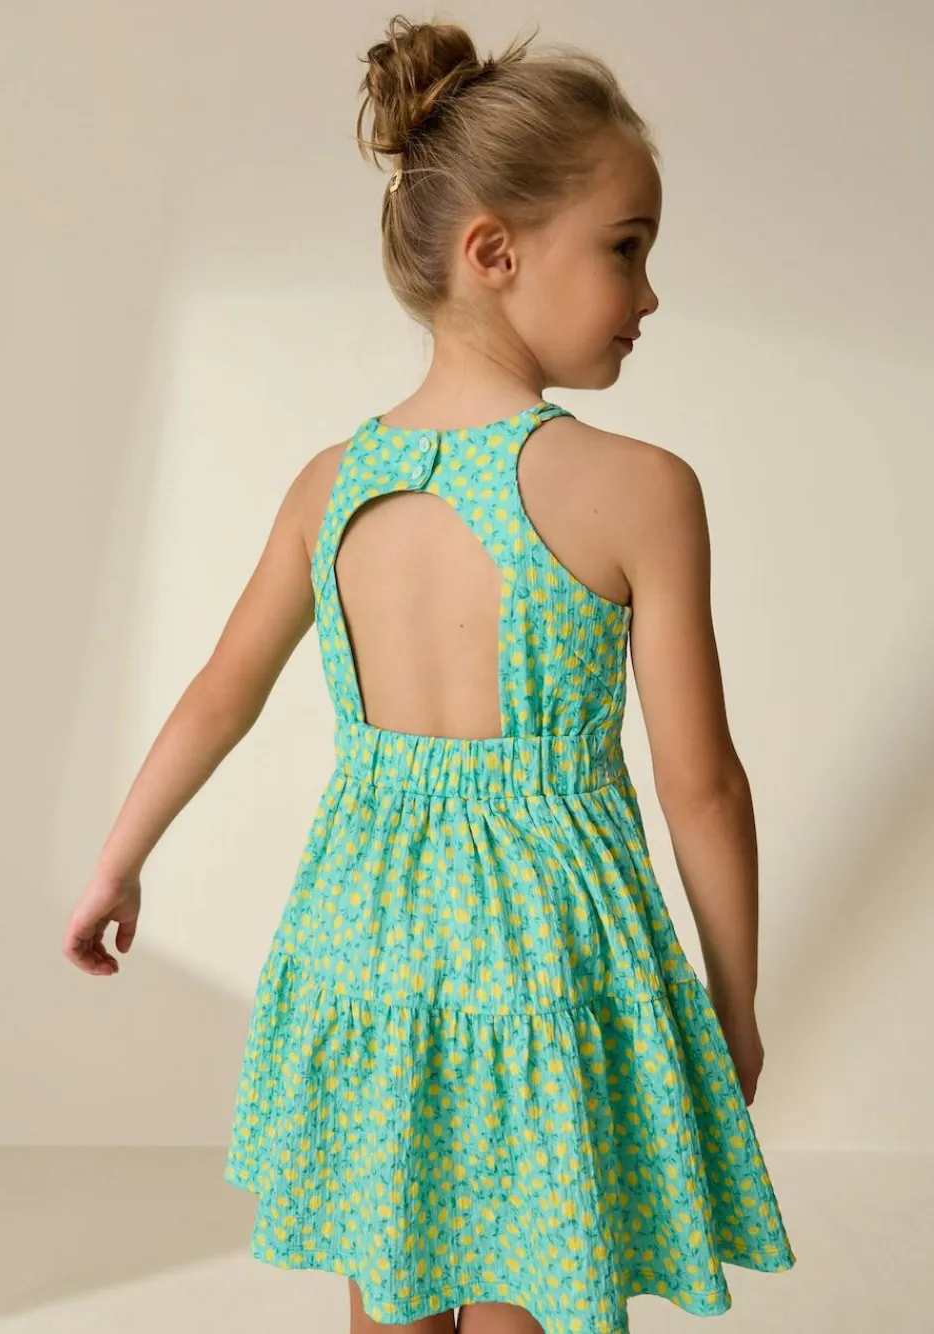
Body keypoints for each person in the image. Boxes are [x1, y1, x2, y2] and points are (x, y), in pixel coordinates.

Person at [62, 15, 797, 1334]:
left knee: (393, 1285)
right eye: (626, 248)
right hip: (546, 964)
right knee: (537, 1287)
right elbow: (705, 786)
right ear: (494, 252)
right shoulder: (638, 490)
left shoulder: (331, 485)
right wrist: (731, 1003)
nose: (649, 295)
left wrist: (119, 861)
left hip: (370, 951)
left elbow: (223, 691)